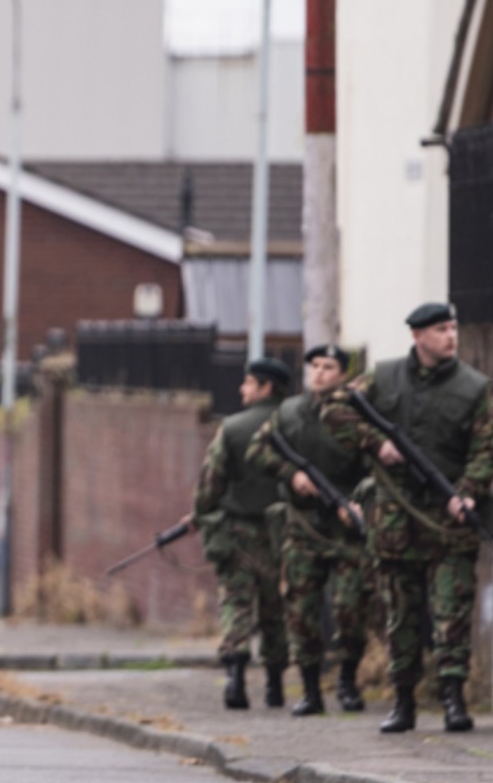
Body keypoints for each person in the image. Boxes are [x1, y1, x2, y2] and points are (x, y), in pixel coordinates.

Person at [323, 302, 490, 734]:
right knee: (401, 612)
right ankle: (403, 700)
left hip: (449, 519)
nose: (451, 336)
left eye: (453, 327)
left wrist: (468, 493)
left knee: (452, 611)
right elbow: (334, 410)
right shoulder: (383, 376)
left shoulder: (474, 388)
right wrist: (375, 444)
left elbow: (486, 448)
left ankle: (453, 698)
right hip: (395, 520)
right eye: (441, 329)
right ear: (418, 336)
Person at [247, 344, 375, 715]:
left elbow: (376, 464)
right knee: (301, 611)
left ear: (342, 374)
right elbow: (258, 450)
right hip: (303, 526)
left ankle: (348, 683)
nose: (319, 373)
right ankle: (309, 689)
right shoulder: (289, 412)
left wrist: (358, 503)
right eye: (314, 365)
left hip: (345, 527)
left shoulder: (355, 413)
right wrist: (292, 474)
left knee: (351, 607)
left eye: (328, 367)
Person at [194, 357, 291, 710]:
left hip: (237, 530)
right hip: (284, 532)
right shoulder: (294, 422)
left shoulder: (232, 428)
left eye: (249, 382)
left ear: (265, 387)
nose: (241, 388)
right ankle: (276, 683)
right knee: (274, 606)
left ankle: (235, 678)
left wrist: (201, 515)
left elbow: (210, 483)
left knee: (236, 603)